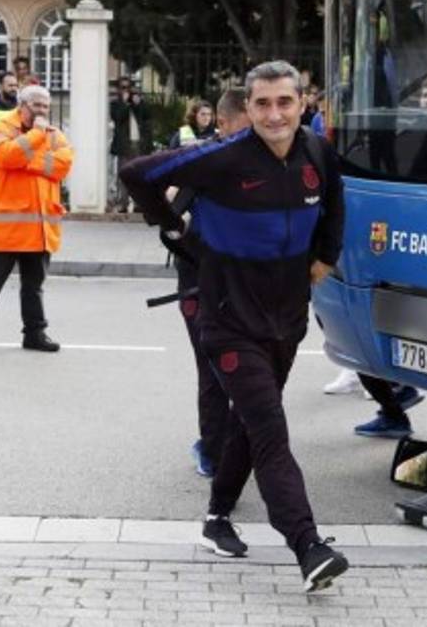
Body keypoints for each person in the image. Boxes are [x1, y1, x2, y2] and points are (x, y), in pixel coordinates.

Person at [119, 61, 349, 592]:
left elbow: (335, 200)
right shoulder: (221, 158)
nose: (274, 114)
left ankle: (217, 516)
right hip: (228, 320)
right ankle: (307, 544)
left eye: (284, 103)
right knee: (270, 428)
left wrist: (327, 256)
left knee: (251, 424)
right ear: (247, 109)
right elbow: (137, 173)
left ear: (302, 105)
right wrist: (177, 228)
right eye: (263, 104)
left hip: (286, 317)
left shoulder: (317, 153)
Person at [0, 85, 73, 353]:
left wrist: (28, 160)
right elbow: (6, 156)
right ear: (22, 105)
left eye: (46, 106)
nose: (42, 111)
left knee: (33, 286)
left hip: (40, 228)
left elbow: (64, 164)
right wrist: (36, 137)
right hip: (7, 227)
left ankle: (34, 333)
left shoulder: (54, 134)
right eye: (37, 105)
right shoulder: (2, 127)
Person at [175, 88, 250, 478]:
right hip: (200, 282)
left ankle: (233, 444)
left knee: (248, 368)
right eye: (250, 116)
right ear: (225, 123)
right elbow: (169, 211)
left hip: (247, 282)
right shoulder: (203, 159)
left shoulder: (266, 159)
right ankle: (213, 449)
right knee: (213, 365)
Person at [109, 77, 152, 211]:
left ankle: (139, 204)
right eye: (123, 87)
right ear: (119, 90)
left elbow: (147, 115)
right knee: (124, 176)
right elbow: (118, 118)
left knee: (139, 176)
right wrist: (126, 104)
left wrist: (138, 104)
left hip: (139, 144)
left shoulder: (137, 103)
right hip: (124, 147)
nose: (126, 90)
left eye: (128, 87)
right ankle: (123, 204)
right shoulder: (115, 104)